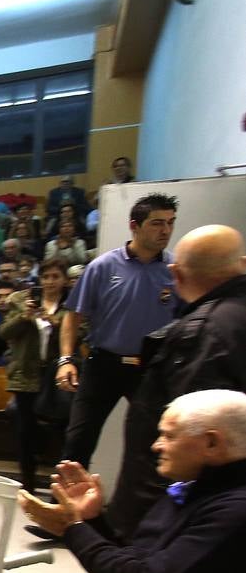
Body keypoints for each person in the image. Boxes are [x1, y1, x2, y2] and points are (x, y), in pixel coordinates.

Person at [16, 390, 246, 573]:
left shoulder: (234, 513)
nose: (156, 445)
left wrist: (74, 529)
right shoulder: (195, 488)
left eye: (169, 436)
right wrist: (92, 521)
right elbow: (138, 560)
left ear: (211, 444)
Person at [107, 225, 246, 538]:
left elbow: (190, 441)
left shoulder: (203, 333)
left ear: (176, 275)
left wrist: (149, 526)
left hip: (187, 517)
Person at [56, 193, 179, 466]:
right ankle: (63, 507)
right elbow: (73, 315)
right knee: (78, 441)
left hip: (152, 368)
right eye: (157, 223)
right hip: (104, 365)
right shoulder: (103, 267)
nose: (166, 230)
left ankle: (144, 508)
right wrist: (65, 359)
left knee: (153, 442)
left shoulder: (175, 270)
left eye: (170, 223)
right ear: (134, 225)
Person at [0, 260, 69, 491]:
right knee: (24, 430)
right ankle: (27, 485)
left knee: (61, 426)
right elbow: (4, 332)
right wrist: (24, 317)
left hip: (57, 373)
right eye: (46, 277)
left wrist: (55, 323)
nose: (50, 282)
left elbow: (81, 334)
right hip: (26, 373)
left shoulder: (71, 303)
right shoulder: (20, 300)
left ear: (64, 279)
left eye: (55, 276)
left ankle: (60, 485)